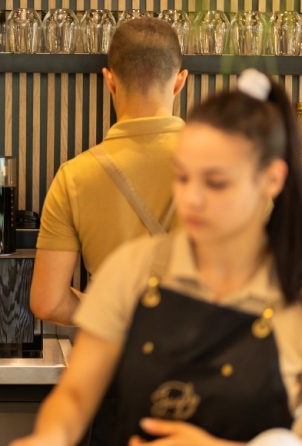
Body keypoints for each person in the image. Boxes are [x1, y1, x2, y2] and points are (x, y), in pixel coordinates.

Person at [12, 70, 302, 446]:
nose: (191, 198)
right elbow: (75, 396)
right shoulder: (130, 270)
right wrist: (49, 436)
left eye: (215, 182)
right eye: (182, 177)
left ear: (272, 180)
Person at [31, 17, 188, 326]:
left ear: (110, 81)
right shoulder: (231, 169)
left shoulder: (74, 177)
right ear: (180, 81)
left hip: (117, 365)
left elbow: (47, 303)